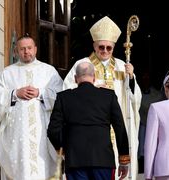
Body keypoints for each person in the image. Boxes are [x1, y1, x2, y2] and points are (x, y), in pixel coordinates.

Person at [63, 16, 142, 179]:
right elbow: (68, 95)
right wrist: (90, 91)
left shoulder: (122, 66)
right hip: (89, 139)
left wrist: (132, 78)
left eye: (109, 48)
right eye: (101, 47)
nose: (105, 51)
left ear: (113, 48)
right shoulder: (82, 66)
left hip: (116, 131)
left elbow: (135, 100)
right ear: (94, 45)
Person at [0, 35, 63, 180]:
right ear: (16, 51)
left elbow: (60, 94)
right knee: (20, 169)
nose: (26, 52)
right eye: (22, 49)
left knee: (41, 167)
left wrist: (40, 93)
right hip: (17, 134)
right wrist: (15, 93)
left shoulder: (48, 71)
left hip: (42, 132)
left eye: (29, 48)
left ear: (35, 49)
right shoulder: (7, 73)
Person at [47, 62, 130, 180]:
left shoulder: (64, 97)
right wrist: (123, 159)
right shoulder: (108, 96)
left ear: (76, 79)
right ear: (94, 77)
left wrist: (65, 149)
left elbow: (53, 131)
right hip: (103, 160)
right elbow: (120, 128)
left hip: (75, 161)